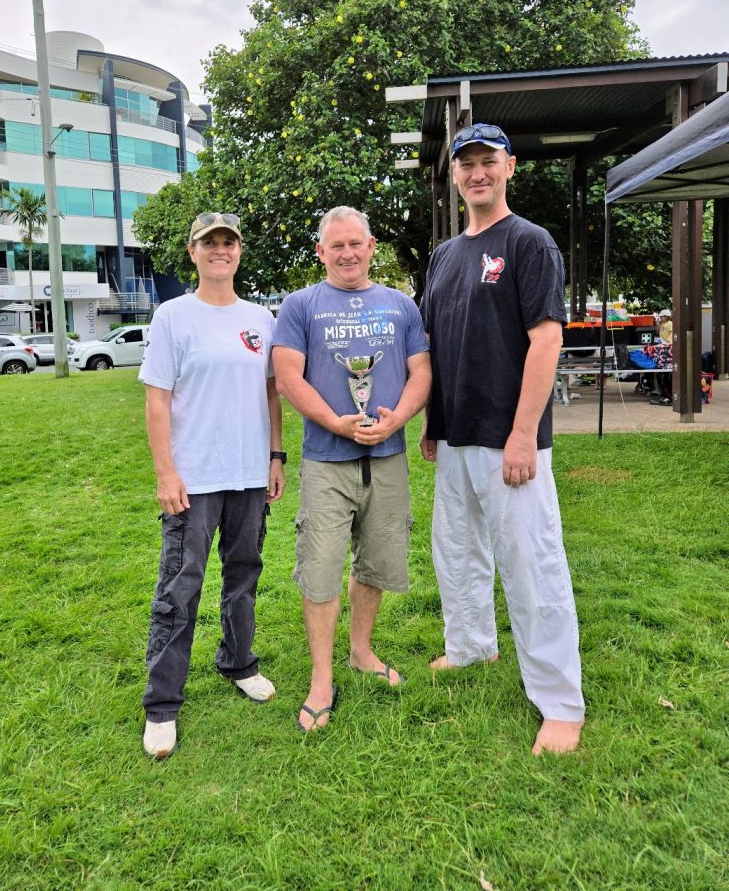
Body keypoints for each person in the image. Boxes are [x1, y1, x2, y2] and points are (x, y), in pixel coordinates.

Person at [420, 124, 585, 755]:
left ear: (509, 167)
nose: (477, 173)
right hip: (455, 435)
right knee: (457, 552)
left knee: (531, 565)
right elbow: (437, 344)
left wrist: (522, 435)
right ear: (455, 176)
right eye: (466, 164)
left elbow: (546, 341)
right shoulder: (443, 256)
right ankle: (470, 647)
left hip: (509, 439)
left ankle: (560, 704)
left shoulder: (528, 242)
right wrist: (432, 422)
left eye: (488, 161)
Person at [273, 206, 431, 732]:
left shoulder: (401, 305)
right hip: (327, 460)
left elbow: (421, 372)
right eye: (336, 245)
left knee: (377, 561)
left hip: (387, 457)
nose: (347, 253)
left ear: (371, 246)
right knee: (321, 567)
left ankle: (361, 651)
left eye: (355, 243)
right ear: (321, 251)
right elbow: (287, 377)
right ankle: (322, 677)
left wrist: (398, 419)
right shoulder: (300, 305)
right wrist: (334, 423)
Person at [139, 211, 286, 759]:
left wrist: (275, 456)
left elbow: (271, 393)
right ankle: (162, 703)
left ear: (239, 251)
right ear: (193, 252)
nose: (220, 250)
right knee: (180, 586)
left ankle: (239, 662)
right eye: (209, 243)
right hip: (194, 477)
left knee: (243, 575)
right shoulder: (173, 316)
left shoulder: (260, 317)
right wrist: (166, 472)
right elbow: (157, 400)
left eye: (229, 242)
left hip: (248, 472)